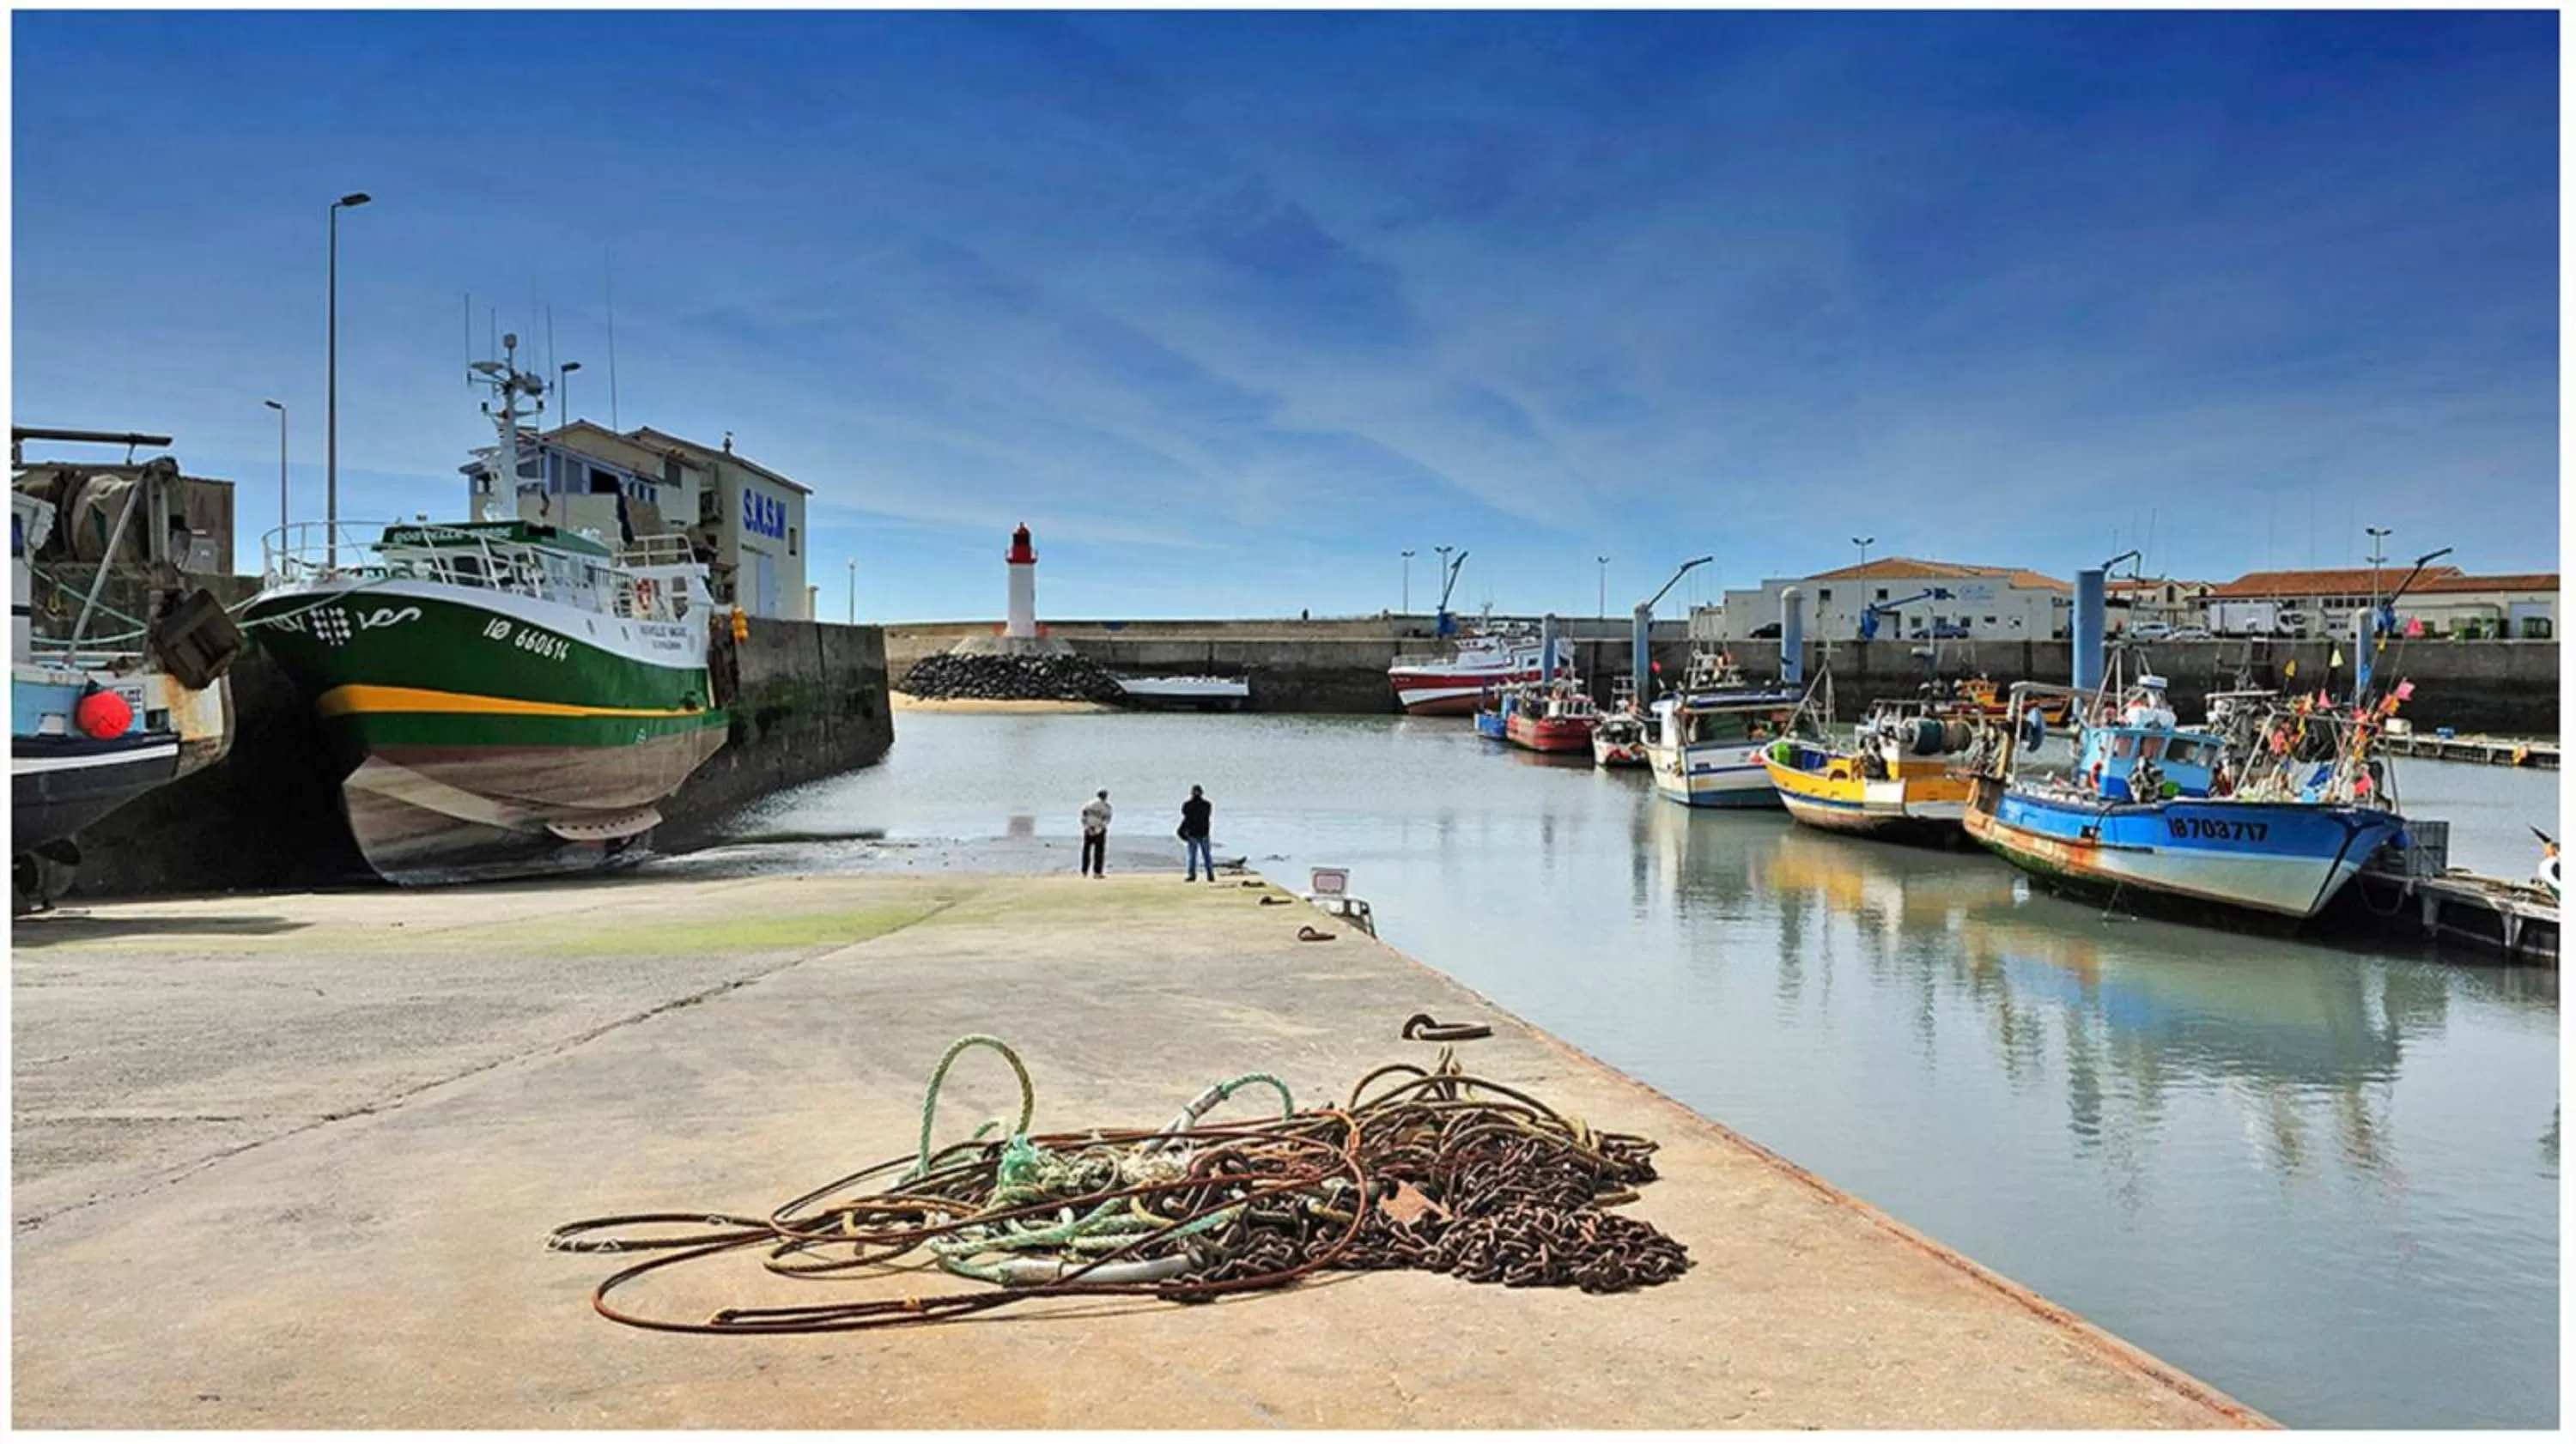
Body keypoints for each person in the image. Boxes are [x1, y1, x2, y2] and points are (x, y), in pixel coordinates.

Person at [1178, 785, 1215, 882]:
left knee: (1193, 856)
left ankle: (1192, 875)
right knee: (1206, 855)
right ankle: (1210, 875)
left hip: (1193, 833)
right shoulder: (1207, 805)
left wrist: (1184, 832)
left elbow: (1185, 816)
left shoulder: (1187, 805)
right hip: (1203, 832)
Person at [1078, 789, 1112, 877]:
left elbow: (1083, 817)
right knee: (1099, 852)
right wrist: (1099, 829)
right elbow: (1107, 819)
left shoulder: (1088, 805)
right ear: (1105, 796)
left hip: (1089, 828)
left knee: (1086, 851)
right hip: (1099, 829)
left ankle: (1084, 871)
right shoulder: (1106, 807)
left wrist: (1087, 827)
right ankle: (1097, 872)